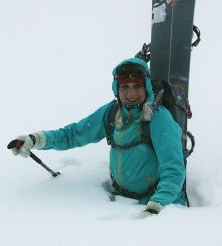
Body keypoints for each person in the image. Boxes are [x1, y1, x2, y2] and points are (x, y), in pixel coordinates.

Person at [11, 57, 186, 217]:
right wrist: (36, 139)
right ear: (116, 89)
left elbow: (174, 170)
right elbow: (74, 134)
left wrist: (155, 207)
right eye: (125, 87)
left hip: (159, 205)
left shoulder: (159, 119)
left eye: (137, 86)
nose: (131, 94)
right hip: (122, 201)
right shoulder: (112, 112)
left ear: (146, 86)